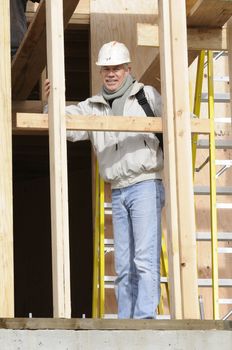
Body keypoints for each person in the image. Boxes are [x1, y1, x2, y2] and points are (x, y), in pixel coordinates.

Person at [44, 41, 165, 319]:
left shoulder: (146, 96)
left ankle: (144, 320)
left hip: (146, 184)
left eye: (116, 69)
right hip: (119, 190)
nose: (111, 74)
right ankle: (126, 321)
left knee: (144, 260)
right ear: (101, 73)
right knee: (123, 263)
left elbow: (178, 118)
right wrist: (50, 103)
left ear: (127, 69)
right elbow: (63, 127)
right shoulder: (93, 107)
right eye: (106, 69)